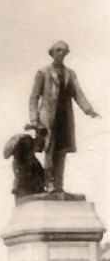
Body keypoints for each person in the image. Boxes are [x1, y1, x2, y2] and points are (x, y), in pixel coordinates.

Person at [27, 40, 99, 193]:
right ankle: (49, 184)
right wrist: (34, 119)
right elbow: (34, 97)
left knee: (62, 150)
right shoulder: (43, 73)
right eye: (58, 50)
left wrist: (89, 110)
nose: (61, 53)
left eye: (64, 51)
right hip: (47, 119)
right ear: (52, 52)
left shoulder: (70, 74)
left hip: (64, 117)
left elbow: (77, 93)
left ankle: (59, 185)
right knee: (50, 150)